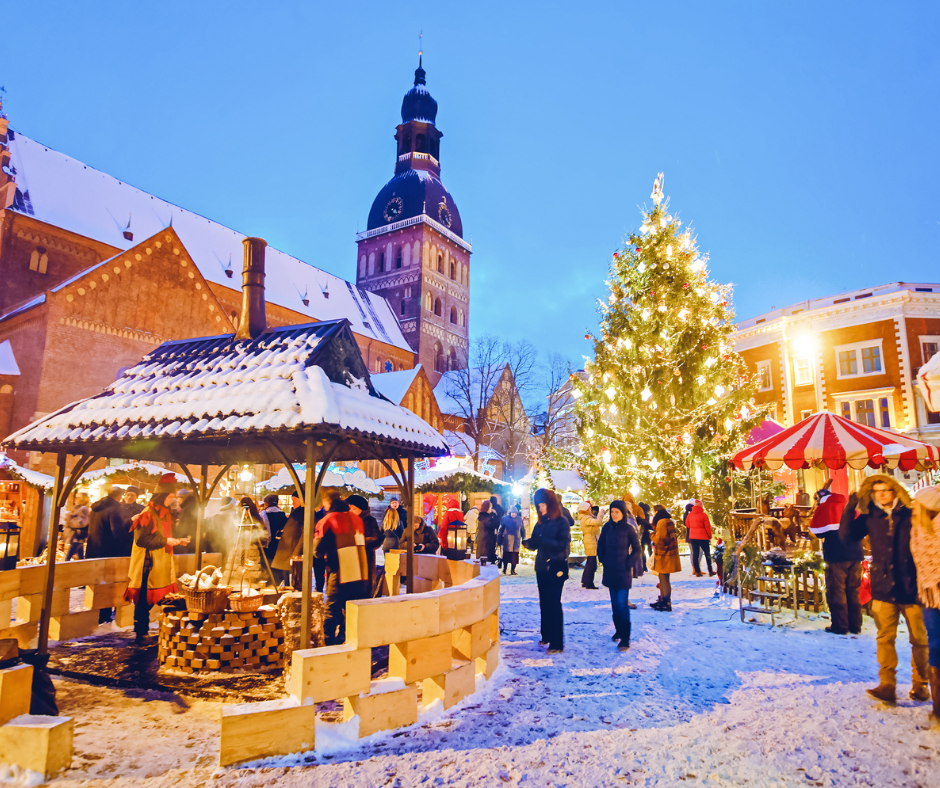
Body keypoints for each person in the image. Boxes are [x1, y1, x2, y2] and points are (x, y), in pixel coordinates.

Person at [840, 473, 929, 705]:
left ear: (894, 491)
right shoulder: (871, 517)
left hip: (911, 587)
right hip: (883, 587)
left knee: (919, 639)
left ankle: (921, 684)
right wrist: (850, 509)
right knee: (884, 637)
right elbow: (847, 536)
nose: (881, 494)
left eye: (886, 489)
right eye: (877, 490)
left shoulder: (911, 514)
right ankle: (887, 685)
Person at [124, 474, 189, 645]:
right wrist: (166, 541)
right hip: (148, 563)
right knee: (144, 600)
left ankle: (146, 631)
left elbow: (161, 535)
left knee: (154, 599)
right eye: (170, 497)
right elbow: (142, 540)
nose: (172, 500)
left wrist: (178, 540)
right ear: (162, 496)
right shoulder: (148, 513)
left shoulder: (164, 514)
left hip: (160, 562)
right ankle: (140, 632)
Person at [314, 490, 369, 645]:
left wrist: (324, 556)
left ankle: (328, 643)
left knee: (332, 608)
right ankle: (348, 639)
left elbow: (317, 551)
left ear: (328, 503)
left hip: (340, 571)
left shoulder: (328, 520)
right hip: (360, 572)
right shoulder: (357, 519)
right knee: (351, 609)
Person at [809, 483, 860, 636]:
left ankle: (840, 625)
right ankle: (855, 625)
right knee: (852, 590)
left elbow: (817, 532)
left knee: (837, 590)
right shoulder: (848, 507)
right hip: (855, 554)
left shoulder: (825, 508)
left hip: (836, 554)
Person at [525, 488, 571, 653]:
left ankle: (557, 642)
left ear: (550, 505)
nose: (540, 509)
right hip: (542, 567)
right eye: (538, 506)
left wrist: (543, 540)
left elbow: (561, 545)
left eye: (543, 505)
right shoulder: (541, 522)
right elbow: (537, 541)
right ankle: (546, 634)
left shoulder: (562, 522)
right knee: (544, 602)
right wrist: (530, 543)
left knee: (553, 603)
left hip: (556, 567)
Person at [911, 485, 940, 725]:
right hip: (928, 592)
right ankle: (938, 708)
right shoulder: (918, 529)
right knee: (936, 645)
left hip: (933, 589)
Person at [597, 501, 641, 650]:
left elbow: (637, 549)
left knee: (622, 605)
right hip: (610, 570)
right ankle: (618, 630)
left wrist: (628, 563)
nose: (614, 514)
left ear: (623, 513)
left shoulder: (628, 529)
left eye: (617, 511)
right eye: (612, 511)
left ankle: (625, 637)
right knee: (615, 605)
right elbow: (600, 545)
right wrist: (602, 558)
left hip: (623, 572)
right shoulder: (607, 527)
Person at [86, 486, 128, 624]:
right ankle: (104, 615)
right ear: (120, 496)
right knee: (109, 584)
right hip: (110, 551)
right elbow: (117, 532)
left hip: (94, 550)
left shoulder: (95, 508)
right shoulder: (115, 509)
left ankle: (96, 613)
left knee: (97, 584)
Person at [346, 494, 383, 594]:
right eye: (349, 508)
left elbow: (377, 539)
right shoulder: (346, 520)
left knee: (363, 590)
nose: (351, 511)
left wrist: (359, 542)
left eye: (354, 509)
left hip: (365, 560)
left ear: (361, 509)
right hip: (348, 561)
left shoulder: (370, 521)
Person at [651, 510, 681, 611]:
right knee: (664, 578)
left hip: (664, 555)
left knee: (663, 578)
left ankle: (665, 601)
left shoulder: (661, 522)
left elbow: (659, 539)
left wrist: (651, 535)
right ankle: (664, 600)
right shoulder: (670, 521)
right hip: (671, 554)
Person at [272, 493, 304, 585]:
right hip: (287, 547)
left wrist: (297, 551)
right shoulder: (295, 511)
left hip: (293, 547)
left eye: (295, 499)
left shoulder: (303, 512)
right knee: (285, 572)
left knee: (293, 576)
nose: (292, 501)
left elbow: (304, 533)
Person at [576, 500, 605, 589]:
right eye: (589, 508)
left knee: (590, 562)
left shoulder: (586, 517)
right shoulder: (586, 518)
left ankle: (585, 581)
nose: (590, 509)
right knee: (592, 563)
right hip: (591, 541)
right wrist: (600, 514)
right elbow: (598, 523)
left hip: (591, 540)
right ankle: (589, 583)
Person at [262, 495, 288, 586]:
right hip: (279, 544)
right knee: (277, 565)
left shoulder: (263, 515)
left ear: (266, 504)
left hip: (267, 544)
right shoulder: (282, 515)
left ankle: (269, 582)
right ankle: (279, 584)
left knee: (268, 564)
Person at [685, 500, 715, 577]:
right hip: (703, 537)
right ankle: (710, 571)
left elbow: (687, 524)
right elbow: (707, 527)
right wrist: (709, 536)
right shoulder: (704, 515)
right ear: (701, 506)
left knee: (695, 554)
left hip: (693, 537)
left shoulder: (690, 515)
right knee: (707, 554)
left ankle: (697, 571)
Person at [61, 495, 90, 561]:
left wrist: (70, 520)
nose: (76, 499)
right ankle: (82, 566)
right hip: (75, 534)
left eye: (79, 497)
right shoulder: (76, 508)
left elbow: (83, 522)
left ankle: (64, 566)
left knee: (68, 556)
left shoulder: (84, 509)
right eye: (76, 497)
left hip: (77, 534)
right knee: (80, 555)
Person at [498, 506, 525, 575]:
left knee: (514, 556)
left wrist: (524, 538)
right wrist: (499, 539)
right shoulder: (504, 519)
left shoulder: (519, 519)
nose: (513, 514)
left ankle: (513, 570)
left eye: (515, 513)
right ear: (510, 513)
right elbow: (501, 530)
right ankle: (504, 569)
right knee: (506, 556)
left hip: (516, 540)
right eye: (512, 513)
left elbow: (522, 530)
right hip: (507, 540)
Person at [637, 502, 653, 570]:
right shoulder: (648, 516)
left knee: (642, 550)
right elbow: (650, 525)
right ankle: (652, 564)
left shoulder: (639, 517)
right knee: (649, 549)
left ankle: (644, 566)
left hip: (642, 534)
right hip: (648, 534)